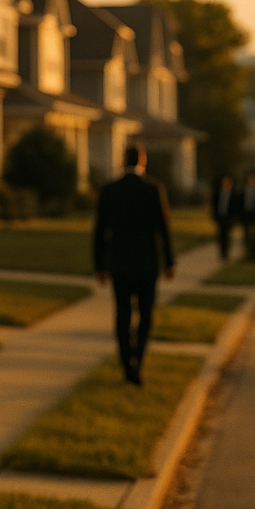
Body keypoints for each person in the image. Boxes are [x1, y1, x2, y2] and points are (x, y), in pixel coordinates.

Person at [93, 145, 175, 385]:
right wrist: (169, 262)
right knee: (146, 315)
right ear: (143, 161)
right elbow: (163, 229)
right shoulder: (153, 189)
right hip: (147, 264)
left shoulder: (110, 190)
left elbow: (100, 231)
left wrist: (99, 265)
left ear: (122, 160)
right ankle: (137, 359)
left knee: (122, 314)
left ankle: (125, 362)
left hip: (119, 264)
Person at [210, 173, 240, 260]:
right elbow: (214, 205)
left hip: (228, 218)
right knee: (220, 236)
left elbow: (235, 207)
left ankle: (226, 253)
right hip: (220, 217)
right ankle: (222, 252)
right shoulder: (218, 193)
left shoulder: (233, 194)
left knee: (227, 236)